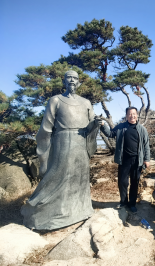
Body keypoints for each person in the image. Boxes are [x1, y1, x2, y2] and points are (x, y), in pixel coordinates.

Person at [21, 70, 99, 230]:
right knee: (58, 178)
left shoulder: (86, 102)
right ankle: (43, 213)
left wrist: (96, 123)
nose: (72, 80)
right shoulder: (56, 100)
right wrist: (44, 157)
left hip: (82, 144)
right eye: (69, 77)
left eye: (75, 78)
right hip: (63, 143)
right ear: (64, 81)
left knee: (80, 177)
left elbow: (91, 124)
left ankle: (81, 210)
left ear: (78, 83)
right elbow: (46, 129)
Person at [100, 107, 150, 212]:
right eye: (130, 114)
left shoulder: (142, 129)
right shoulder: (121, 127)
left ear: (137, 115)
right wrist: (103, 125)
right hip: (124, 160)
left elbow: (146, 145)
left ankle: (132, 204)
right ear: (126, 116)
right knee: (122, 182)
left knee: (134, 182)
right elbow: (110, 134)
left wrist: (147, 159)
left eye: (134, 113)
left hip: (137, 160)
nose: (132, 116)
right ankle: (123, 201)